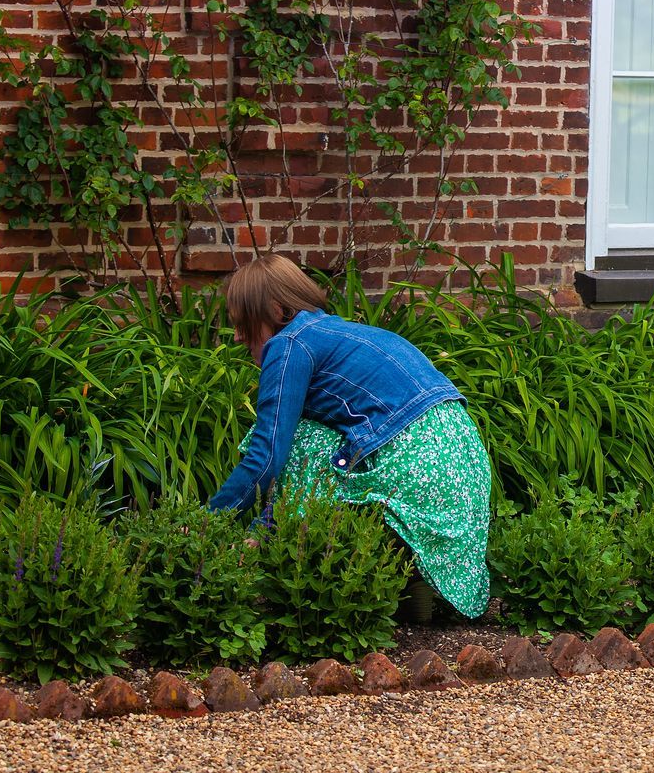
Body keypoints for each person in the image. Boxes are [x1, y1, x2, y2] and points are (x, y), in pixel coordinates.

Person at [209, 253, 491, 619]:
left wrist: (209, 522)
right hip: (464, 465)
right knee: (312, 440)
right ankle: (413, 586)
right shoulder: (352, 334)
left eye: (243, 323)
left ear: (277, 311)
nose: (237, 336)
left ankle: (257, 559)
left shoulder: (291, 343)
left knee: (293, 439)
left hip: (416, 463)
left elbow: (267, 459)